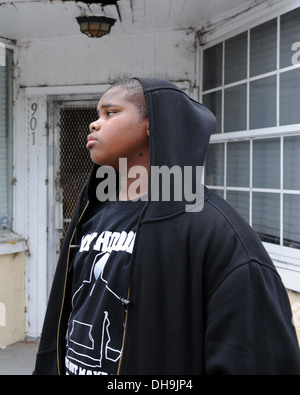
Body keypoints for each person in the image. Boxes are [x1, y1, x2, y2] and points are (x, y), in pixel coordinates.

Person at [34, 78, 300, 375]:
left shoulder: (216, 232)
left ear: (152, 124)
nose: (95, 124)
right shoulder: (91, 214)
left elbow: (256, 357)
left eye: (110, 113)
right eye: (97, 115)